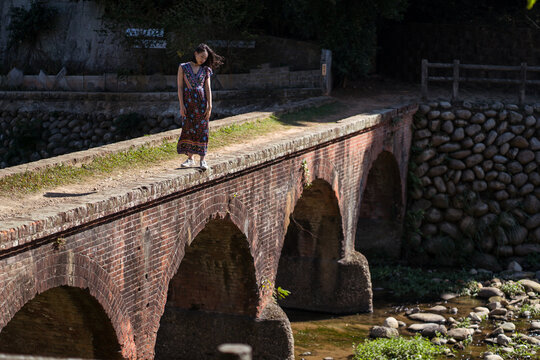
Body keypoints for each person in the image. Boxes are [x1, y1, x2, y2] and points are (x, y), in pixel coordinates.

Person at [177, 43, 223, 170]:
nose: (203, 59)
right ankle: (190, 158)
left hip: (202, 102)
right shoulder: (183, 67)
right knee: (188, 128)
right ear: (195, 53)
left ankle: (203, 159)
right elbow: (180, 88)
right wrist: (181, 105)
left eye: (205, 58)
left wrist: (210, 105)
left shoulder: (206, 69)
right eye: (201, 56)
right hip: (188, 102)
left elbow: (208, 88)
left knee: (203, 129)